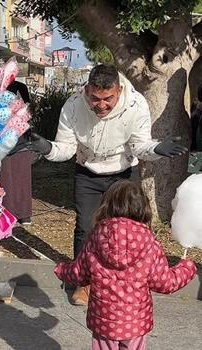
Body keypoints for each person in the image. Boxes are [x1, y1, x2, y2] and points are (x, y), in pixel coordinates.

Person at [27, 64, 187, 305]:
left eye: (108, 98)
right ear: (87, 90)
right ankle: (85, 283)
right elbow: (67, 149)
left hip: (123, 174)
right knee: (85, 228)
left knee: (133, 230)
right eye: (95, 98)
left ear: (119, 90)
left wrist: (157, 149)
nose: (101, 105)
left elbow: (139, 146)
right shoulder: (73, 106)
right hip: (87, 171)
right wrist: (47, 148)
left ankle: (133, 282)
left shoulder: (136, 104)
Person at [54, 180, 197, 350]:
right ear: (142, 207)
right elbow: (165, 283)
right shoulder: (149, 242)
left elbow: (79, 273)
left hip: (103, 321)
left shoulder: (96, 237)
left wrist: (61, 269)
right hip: (134, 323)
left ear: (107, 206)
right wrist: (186, 268)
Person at [0, 80, 32, 225]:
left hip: (10, 144)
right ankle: (23, 214)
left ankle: (11, 213)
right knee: (20, 180)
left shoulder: (7, 90)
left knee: (9, 180)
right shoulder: (20, 88)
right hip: (20, 143)